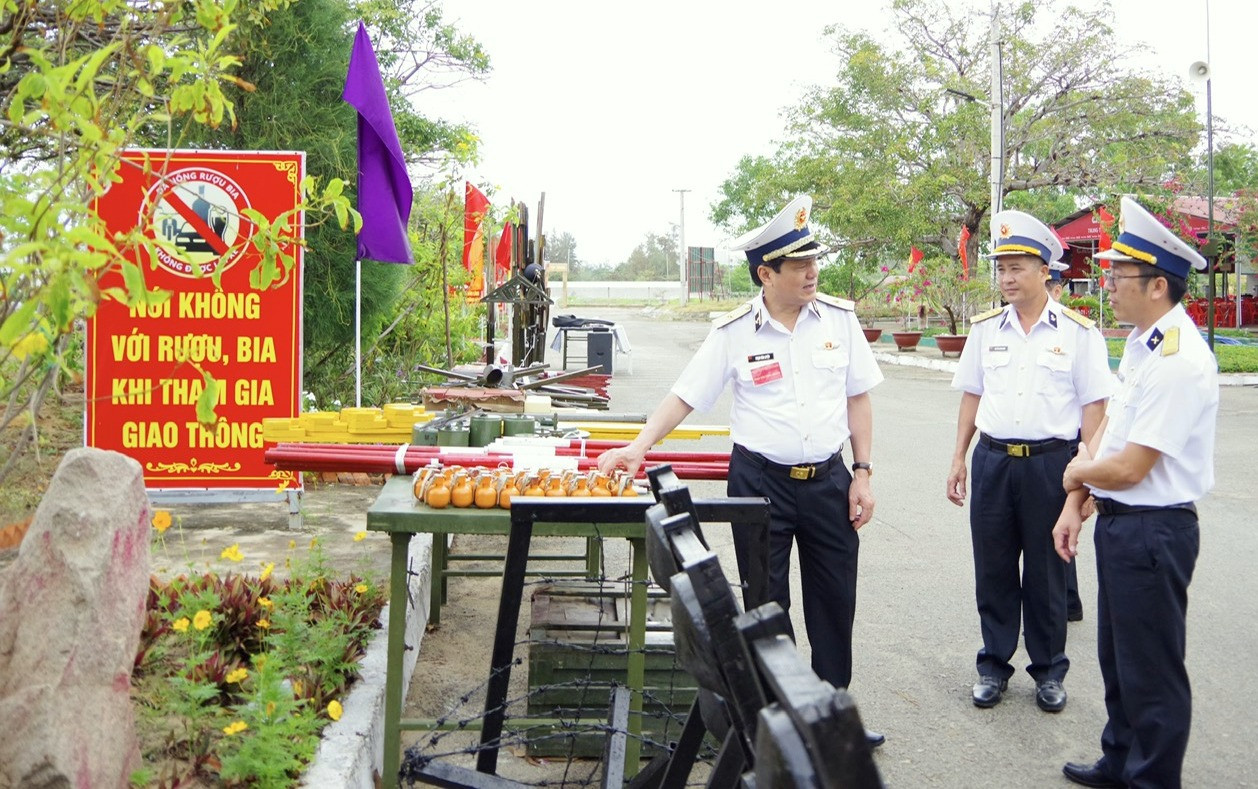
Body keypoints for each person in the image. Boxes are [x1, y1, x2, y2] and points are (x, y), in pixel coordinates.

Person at [596, 195, 886, 746]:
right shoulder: (734, 332)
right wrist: (638, 446)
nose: (812, 273)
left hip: (829, 480)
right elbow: (686, 395)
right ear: (766, 274)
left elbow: (858, 401)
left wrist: (864, 472)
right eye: (798, 265)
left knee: (834, 598)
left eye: (812, 262)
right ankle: (779, 719)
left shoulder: (839, 321)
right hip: (759, 486)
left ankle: (832, 714)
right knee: (765, 601)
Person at [1054, 196, 1217, 789]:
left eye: (1118, 276)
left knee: (1152, 669)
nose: (1108, 285)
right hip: (1124, 525)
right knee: (1120, 659)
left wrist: (1075, 478)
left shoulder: (1178, 360)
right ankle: (1120, 760)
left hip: (1154, 529)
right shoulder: (1147, 347)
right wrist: (1078, 504)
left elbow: (1130, 468)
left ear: (1156, 286)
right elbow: (1109, 439)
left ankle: (1152, 779)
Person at [945, 210, 1113, 713]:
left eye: (1018, 266)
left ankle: (1048, 671)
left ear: (1046, 270)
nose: (1007, 277)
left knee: (1046, 573)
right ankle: (993, 666)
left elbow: (1094, 413)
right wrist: (959, 457)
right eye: (1001, 269)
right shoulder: (984, 330)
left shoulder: (1080, 334)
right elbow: (971, 396)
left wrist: (1084, 487)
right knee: (992, 568)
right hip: (995, 461)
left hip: (1051, 465)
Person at [1046, 254, 1086, 623]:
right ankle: (1067, 599)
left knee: (1062, 522)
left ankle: (1068, 600)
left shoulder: (1076, 333)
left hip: (1069, 447)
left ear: (1057, 289)